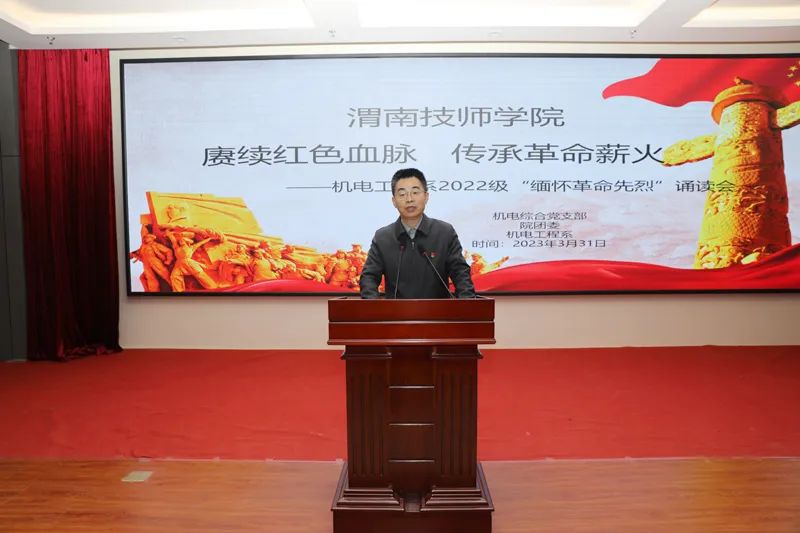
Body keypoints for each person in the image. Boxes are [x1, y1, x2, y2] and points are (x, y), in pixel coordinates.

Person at [360, 168, 475, 299]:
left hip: (439, 311)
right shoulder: (383, 237)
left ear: (426, 196)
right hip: (396, 311)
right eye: (402, 194)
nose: (409, 199)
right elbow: (368, 277)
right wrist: (374, 307)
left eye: (415, 192)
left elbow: (461, 274)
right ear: (394, 201)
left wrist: (468, 305)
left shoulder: (444, 232)